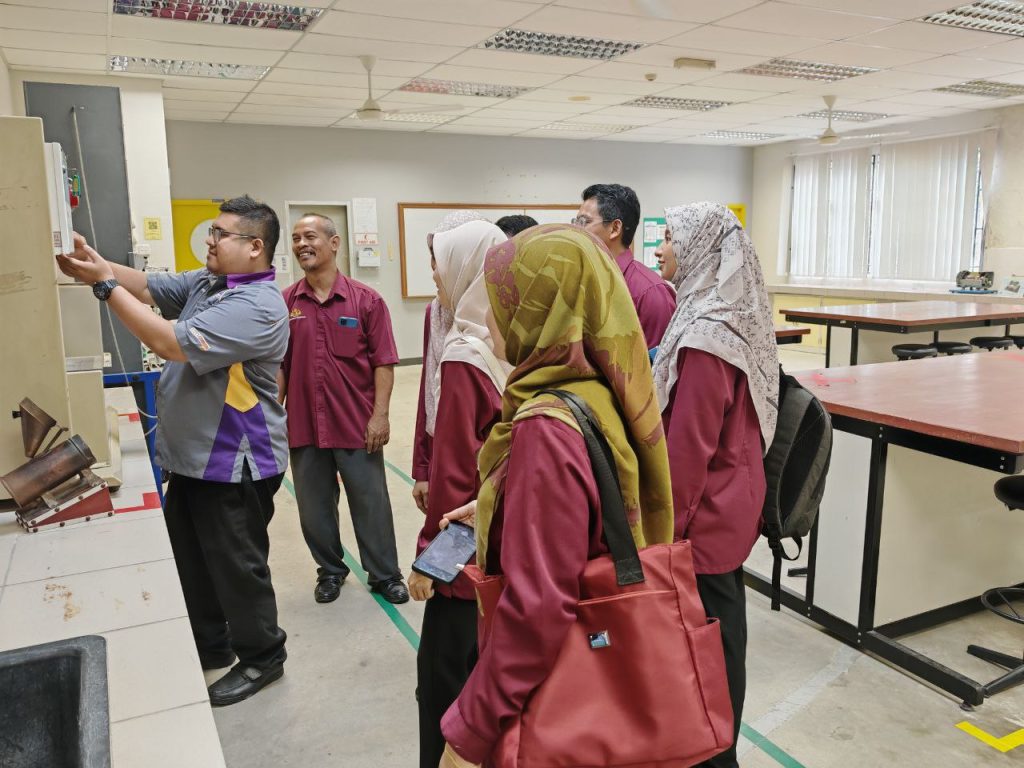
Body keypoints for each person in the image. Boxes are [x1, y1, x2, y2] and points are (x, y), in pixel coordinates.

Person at [439, 225, 675, 768]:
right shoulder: (598, 386)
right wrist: (504, 498)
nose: (491, 319)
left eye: (504, 301)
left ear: (540, 309)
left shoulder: (545, 426)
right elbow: (584, 501)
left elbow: (538, 607)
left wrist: (470, 730)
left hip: (557, 695)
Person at [56, 195, 290, 706]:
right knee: (193, 559)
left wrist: (104, 286)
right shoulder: (209, 283)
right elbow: (144, 285)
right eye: (212, 230)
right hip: (194, 457)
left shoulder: (256, 306)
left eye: (221, 234)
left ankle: (263, 655)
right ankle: (211, 643)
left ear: (255, 247)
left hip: (235, 460)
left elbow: (169, 344)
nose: (210, 240)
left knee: (237, 568)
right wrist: (92, 260)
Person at [651, 202, 780, 768]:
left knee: (710, 655)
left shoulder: (707, 336)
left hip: (705, 526)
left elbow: (687, 456)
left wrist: (661, 539)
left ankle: (714, 754)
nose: (661, 248)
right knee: (719, 641)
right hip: (729, 507)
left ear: (701, 248)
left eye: (670, 237)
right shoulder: (718, 314)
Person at [407, 219, 510, 768]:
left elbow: (453, 475)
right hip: (507, 540)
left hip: (465, 558)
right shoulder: (513, 342)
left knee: (445, 683)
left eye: (439, 263)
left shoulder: (466, 354)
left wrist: (433, 561)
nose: (433, 276)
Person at [279, 213, 408, 605]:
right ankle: (330, 571)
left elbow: (383, 362)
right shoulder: (286, 303)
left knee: (371, 503)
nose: (302, 244)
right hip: (304, 424)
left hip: (355, 423)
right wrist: (272, 417)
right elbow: (280, 366)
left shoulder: (367, 301)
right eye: (296, 238)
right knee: (313, 509)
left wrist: (380, 415)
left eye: (310, 236)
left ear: (334, 243)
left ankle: (385, 574)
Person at [411, 211, 489, 516]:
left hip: (487, 464)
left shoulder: (505, 316)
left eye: (441, 257)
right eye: (433, 256)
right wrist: (422, 468)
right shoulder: (437, 312)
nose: (434, 268)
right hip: (444, 452)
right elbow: (428, 391)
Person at [575, 183, 675, 351]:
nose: (576, 230)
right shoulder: (585, 280)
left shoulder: (650, 293)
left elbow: (658, 364)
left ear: (615, 228)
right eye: (576, 222)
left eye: (584, 222)